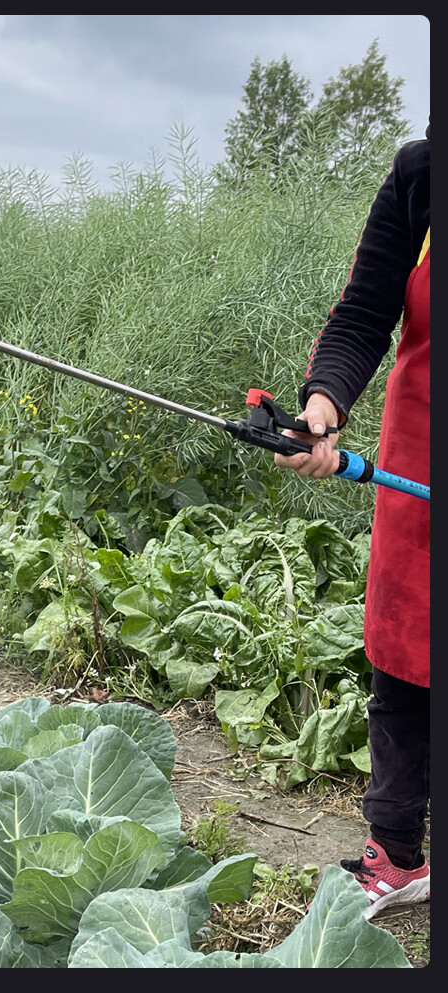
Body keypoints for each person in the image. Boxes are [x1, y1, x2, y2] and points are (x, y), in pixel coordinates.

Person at [274, 119, 430, 919]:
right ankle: (396, 854)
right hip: (420, 457)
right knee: (405, 647)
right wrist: (322, 407)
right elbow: (365, 312)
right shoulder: (421, 171)